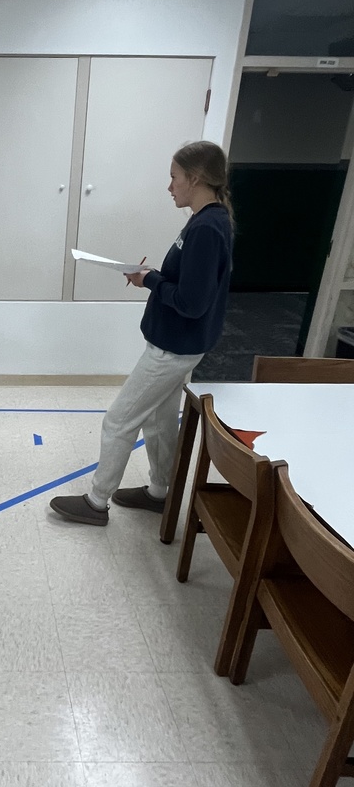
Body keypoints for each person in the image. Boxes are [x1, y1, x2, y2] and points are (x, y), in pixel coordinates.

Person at [50, 140, 233, 528]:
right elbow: (189, 287)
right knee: (160, 421)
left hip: (173, 347)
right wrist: (152, 277)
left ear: (196, 178)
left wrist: (152, 281)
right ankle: (160, 494)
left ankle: (96, 502)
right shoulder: (206, 221)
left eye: (174, 178)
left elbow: (192, 303)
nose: (170, 187)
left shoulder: (207, 227)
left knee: (118, 420)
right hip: (179, 343)